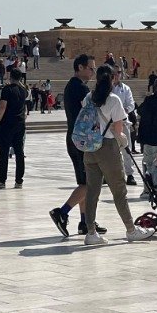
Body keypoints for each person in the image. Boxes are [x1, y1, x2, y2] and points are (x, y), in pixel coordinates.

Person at [76, 65, 153, 245]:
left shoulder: (89, 97)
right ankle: (131, 229)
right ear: (111, 79)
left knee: (93, 190)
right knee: (119, 190)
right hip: (108, 147)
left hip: (89, 148)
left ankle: (91, 232)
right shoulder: (114, 100)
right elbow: (118, 129)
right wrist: (123, 140)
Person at [50, 56, 94, 237]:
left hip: (73, 138)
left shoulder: (71, 85)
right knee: (89, 184)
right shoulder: (81, 88)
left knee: (84, 182)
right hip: (81, 141)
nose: (92, 72)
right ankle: (62, 212)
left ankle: (85, 222)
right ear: (80, 67)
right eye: (90, 68)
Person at [0, 69, 28, 189]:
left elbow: (2, 106)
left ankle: (2, 180)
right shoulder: (23, 91)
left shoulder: (7, 89)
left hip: (7, 124)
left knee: (4, 152)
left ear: (10, 76)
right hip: (20, 124)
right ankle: (19, 181)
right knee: (19, 152)